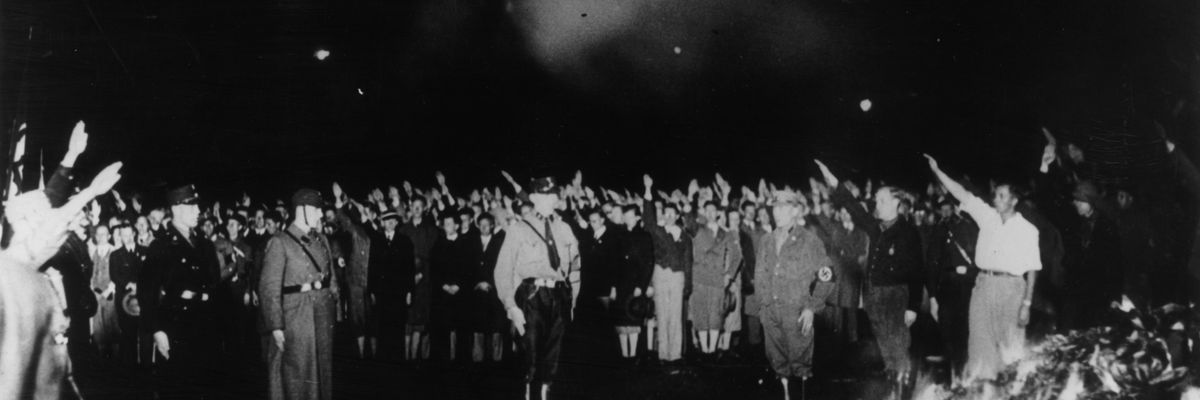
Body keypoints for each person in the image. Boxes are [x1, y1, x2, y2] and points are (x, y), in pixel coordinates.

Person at [0, 159, 121, 400]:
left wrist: (90, 191)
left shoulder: (19, 267)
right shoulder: (10, 274)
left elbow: (48, 230)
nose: (45, 223)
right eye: (35, 219)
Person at [925, 154, 1041, 382]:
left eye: (1001, 195)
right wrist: (938, 172)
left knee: (1010, 349)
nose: (995, 198)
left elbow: (1033, 269)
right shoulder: (987, 216)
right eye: (996, 194)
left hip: (1012, 289)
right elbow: (962, 193)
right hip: (983, 286)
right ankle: (982, 389)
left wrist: (1026, 304)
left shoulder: (1028, 230)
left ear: (1014, 200)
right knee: (979, 343)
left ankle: (1010, 392)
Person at [818, 160, 923, 390]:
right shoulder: (876, 226)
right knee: (886, 349)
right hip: (874, 295)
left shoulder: (908, 232)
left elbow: (917, 271)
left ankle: (904, 391)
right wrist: (832, 180)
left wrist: (913, 306)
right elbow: (853, 206)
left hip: (896, 297)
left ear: (896, 203)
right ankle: (894, 387)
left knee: (898, 347)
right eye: (877, 200)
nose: (878, 203)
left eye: (882, 200)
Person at [494, 176, 580, 400]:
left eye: (554, 195)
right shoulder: (518, 229)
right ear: (532, 198)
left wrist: (573, 301)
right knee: (530, 359)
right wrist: (511, 305)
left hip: (559, 297)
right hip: (532, 297)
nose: (552, 199)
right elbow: (503, 269)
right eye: (546, 195)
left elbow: (575, 267)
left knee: (553, 360)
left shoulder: (564, 229)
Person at [138, 184, 222, 399]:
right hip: (177, 326)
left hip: (207, 323)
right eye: (191, 207)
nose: (198, 212)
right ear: (176, 209)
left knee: (208, 386)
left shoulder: (205, 244)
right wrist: (156, 330)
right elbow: (147, 293)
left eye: (197, 207)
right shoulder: (162, 246)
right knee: (179, 387)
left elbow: (214, 284)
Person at [754, 190, 836, 400]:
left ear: (795, 210)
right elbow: (760, 275)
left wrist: (812, 307)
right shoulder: (766, 240)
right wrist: (762, 307)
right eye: (775, 207)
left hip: (797, 313)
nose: (778, 212)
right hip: (771, 312)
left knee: (800, 365)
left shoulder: (809, 241)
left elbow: (828, 276)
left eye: (783, 207)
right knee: (777, 363)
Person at [259, 188, 339, 400]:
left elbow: (331, 279)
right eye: (316, 210)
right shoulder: (280, 242)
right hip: (297, 318)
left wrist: (334, 307)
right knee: (300, 374)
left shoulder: (321, 239)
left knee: (323, 372)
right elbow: (269, 288)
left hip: (322, 315)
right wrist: (276, 326)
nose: (321, 215)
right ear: (302, 210)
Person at [641, 175, 693, 364]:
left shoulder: (684, 236)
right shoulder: (658, 231)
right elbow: (647, 219)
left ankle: (675, 355)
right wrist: (648, 190)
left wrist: (688, 284)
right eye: (666, 214)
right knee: (662, 315)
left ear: (678, 217)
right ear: (663, 216)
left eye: (673, 214)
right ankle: (663, 354)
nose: (669, 217)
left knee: (675, 316)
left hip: (678, 277)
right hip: (661, 275)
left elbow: (688, 261)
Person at [925, 198, 979, 372]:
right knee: (948, 328)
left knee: (965, 330)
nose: (947, 213)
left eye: (950, 208)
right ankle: (951, 369)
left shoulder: (971, 228)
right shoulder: (939, 230)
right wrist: (932, 296)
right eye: (944, 210)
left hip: (968, 285)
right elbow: (932, 264)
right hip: (947, 285)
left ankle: (963, 369)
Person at [689, 201, 742, 357]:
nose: (711, 214)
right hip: (699, 279)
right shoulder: (697, 230)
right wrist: (689, 203)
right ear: (704, 213)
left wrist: (729, 275)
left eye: (714, 211)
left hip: (717, 280)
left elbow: (737, 256)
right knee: (701, 315)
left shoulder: (726, 234)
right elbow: (688, 220)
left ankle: (712, 351)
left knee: (715, 316)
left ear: (718, 213)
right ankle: (704, 350)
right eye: (708, 211)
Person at [330, 183, 375, 358]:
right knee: (358, 320)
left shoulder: (378, 231)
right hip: (356, 281)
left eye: (369, 212)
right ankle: (362, 355)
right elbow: (343, 219)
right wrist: (338, 199)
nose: (366, 214)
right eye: (364, 211)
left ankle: (375, 356)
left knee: (374, 321)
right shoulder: (356, 231)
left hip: (373, 282)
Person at [368, 210, 415, 361]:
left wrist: (409, 291)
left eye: (392, 220)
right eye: (386, 220)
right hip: (382, 293)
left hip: (398, 293)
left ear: (396, 223)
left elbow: (410, 268)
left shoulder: (405, 241)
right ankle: (383, 361)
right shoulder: (376, 241)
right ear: (382, 223)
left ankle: (397, 361)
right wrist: (372, 291)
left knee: (397, 326)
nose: (390, 223)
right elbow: (372, 267)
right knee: (382, 327)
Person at [464, 213, 508, 362]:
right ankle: (478, 367)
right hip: (476, 295)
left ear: (492, 226)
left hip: (493, 295)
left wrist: (490, 283)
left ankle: (496, 367)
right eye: (481, 224)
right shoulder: (471, 242)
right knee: (478, 332)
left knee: (496, 332)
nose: (483, 227)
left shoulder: (499, 242)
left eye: (486, 224)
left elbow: (503, 268)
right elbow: (467, 268)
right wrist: (476, 283)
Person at [399, 197, 439, 361]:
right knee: (407, 320)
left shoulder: (431, 230)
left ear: (424, 209)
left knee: (419, 320)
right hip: (406, 280)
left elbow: (432, 257)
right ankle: (406, 357)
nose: (416, 209)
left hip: (423, 281)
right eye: (414, 206)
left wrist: (422, 274)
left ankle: (414, 359)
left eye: (419, 207)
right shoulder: (403, 230)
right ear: (410, 208)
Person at [614, 204, 654, 360]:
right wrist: (613, 286)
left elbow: (647, 264)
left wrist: (641, 286)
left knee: (633, 319)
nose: (627, 219)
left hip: (635, 285)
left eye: (631, 216)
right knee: (621, 322)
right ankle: (625, 355)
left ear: (638, 218)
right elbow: (614, 263)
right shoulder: (619, 235)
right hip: (620, 284)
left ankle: (634, 354)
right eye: (625, 216)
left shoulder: (644, 237)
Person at [431, 212, 471, 361]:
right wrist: (443, 285)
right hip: (443, 293)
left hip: (461, 294)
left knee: (461, 330)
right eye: (444, 224)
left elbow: (469, 269)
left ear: (456, 225)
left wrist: (459, 285)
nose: (446, 227)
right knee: (443, 328)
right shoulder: (438, 244)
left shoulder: (465, 243)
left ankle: (461, 363)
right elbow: (434, 268)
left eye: (449, 224)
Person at [109, 222, 146, 365]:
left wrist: (139, 284)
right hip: (124, 299)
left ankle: (145, 365)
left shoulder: (145, 251)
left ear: (134, 234)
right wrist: (127, 284)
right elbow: (114, 275)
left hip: (142, 297)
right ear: (121, 237)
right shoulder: (115, 255)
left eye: (130, 234)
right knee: (128, 333)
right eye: (125, 235)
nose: (128, 238)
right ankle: (129, 366)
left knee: (143, 332)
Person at [89, 223, 120, 359]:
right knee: (99, 329)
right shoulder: (93, 252)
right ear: (95, 236)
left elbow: (118, 275)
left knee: (112, 327)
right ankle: (102, 364)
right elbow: (92, 275)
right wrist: (93, 289)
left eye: (104, 234)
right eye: (98, 234)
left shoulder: (114, 251)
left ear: (109, 236)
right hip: (96, 295)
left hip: (110, 295)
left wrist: (110, 289)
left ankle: (116, 362)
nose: (101, 237)